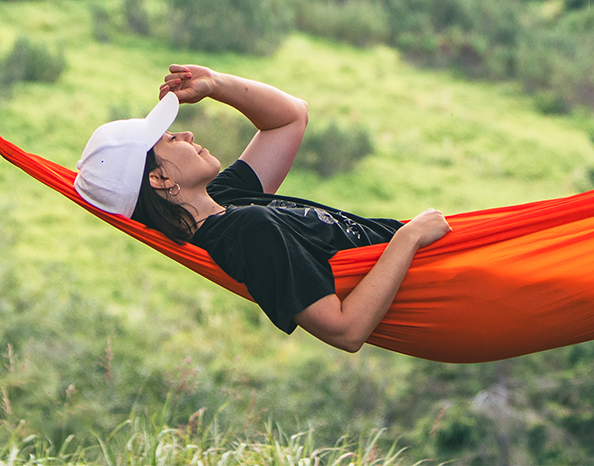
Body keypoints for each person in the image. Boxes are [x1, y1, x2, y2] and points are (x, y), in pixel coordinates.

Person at [74, 63, 451, 352]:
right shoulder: (246, 232)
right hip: (441, 277)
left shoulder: (226, 200)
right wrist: (409, 236)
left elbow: (291, 117)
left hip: (441, 254)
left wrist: (216, 85)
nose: (187, 135)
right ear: (159, 180)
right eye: (171, 139)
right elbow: (345, 330)